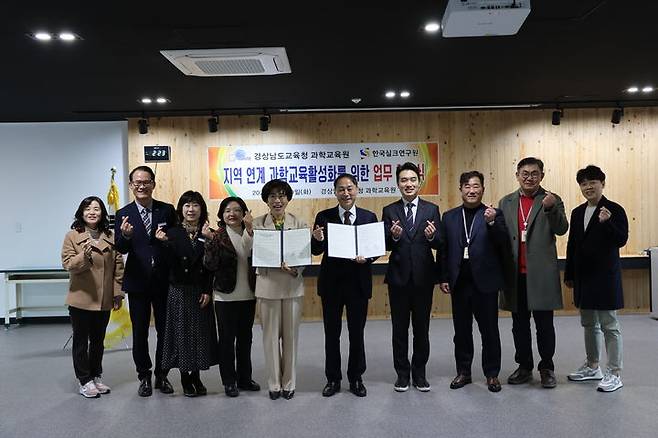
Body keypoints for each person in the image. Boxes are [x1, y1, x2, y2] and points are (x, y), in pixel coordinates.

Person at [499, 157, 568, 388]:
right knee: (519, 325)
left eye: (535, 173)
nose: (529, 177)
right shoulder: (506, 202)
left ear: (542, 175)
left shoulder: (551, 199)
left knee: (544, 325)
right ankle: (525, 366)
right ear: (517, 175)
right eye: (525, 173)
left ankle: (547, 367)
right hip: (515, 274)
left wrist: (550, 209)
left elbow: (561, 228)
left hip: (541, 274)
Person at [438, 171, 509, 393]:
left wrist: (491, 224)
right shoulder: (449, 217)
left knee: (489, 330)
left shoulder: (494, 214)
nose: (472, 190)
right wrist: (443, 277)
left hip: (485, 283)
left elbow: (504, 245)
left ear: (482, 189)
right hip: (459, 282)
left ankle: (492, 374)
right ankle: (464, 372)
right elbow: (444, 250)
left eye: (476, 186)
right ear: (461, 189)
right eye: (467, 186)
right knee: (461, 331)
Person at [311, 174, 379, 397]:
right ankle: (333, 378)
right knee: (332, 334)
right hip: (332, 285)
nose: (346, 193)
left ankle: (356, 377)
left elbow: (376, 249)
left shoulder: (369, 217)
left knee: (356, 333)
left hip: (358, 285)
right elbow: (316, 250)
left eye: (350, 188)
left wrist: (366, 258)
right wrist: (318, 239)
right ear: (335, 192)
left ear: (357, 189)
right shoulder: (324, 216)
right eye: (341, 189)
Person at [564, 165, 628, 392]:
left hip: (605, 278)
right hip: (584, 278)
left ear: (603, 183)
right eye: (583, 183)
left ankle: (614, 373)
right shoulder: (577, 212)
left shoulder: (614, 210)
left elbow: (621, 240)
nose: (588, 186)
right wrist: (570, 274)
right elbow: (572, 245)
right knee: (589, 323)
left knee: (610, 325)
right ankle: (593, 366)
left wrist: (607, 223)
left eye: (593, 182)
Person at [114, 165, 177, 396]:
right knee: (139, 331)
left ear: (153, 183)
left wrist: (167, 240)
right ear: (131, 185)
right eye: (137, 182)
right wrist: (127, 236)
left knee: (164, 330)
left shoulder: (167, 210)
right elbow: (119, 247)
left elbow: (175, 243)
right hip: (138, 282)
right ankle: (144, 376)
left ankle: (163, 374)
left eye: (146, 181)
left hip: (163, 281)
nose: (141, 186)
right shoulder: (123, 213)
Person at [382, 162, 441, 392]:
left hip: (424, 279)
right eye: (404, 180)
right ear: (398, 184)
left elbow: (440, 243)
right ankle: (402, 374)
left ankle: (420, 373)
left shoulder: (431, 209)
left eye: (412, 180)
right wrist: (394, 237)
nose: (408, 184)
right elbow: (383, 244)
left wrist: (432, 236)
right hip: (398, 279)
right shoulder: (389, 210)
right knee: (399, 329)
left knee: (421, 329)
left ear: (419, 182)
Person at [62, 196, 125, 398]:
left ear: (102, 213)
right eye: (88, 208)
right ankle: (84, 380)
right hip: (81, 298)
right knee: (81, 341)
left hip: (104, 299)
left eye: (97, 209)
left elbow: (118, 267)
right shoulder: (72, 236)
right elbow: (68, 264)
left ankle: (96, 375)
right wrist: (84, 256)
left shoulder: (110, 235)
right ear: (81, 213)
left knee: (98, 340)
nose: (92, 212)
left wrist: (117, 293)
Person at [157, 190, 218, 397]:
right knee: (182, 334)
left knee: (200, 334)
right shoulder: (172, 233)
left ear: (202, 209)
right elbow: (168, 266)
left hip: (200, 290)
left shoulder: (208, 232)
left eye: (195, 205)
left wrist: (207, 290)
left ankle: (197, 376)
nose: (191, 210)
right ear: (180, 210)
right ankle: (185, 377)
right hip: (179, 290)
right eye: (187, 205)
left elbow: (212, 267)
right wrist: (164, 245)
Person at [253, 179, 308, 400]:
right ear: (266, 200)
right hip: (267, 287)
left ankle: (289, 383)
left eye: (282, 196)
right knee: (270, 338)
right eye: (273, 196)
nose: (277, 200)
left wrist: (296, 268)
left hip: (292, 286)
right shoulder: (256, 224)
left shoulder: (300, 223)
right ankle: (274, 384)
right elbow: (251, 254)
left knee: (291, 338)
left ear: (288, 199)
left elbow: (304, 254)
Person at [203, 196, 261, 398]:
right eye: (228, 210)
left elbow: (254, 255)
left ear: (244, 213)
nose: (232, 214)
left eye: (237, 210)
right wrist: (209, 243)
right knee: (227, 341)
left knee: (246, 339)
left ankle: (245, 378)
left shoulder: (253, 233)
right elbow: (209, 265)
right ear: (222, 214)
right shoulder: (216, 236)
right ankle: (229, 381)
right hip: (225, 296)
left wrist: (251, 231)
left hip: (249, 295)